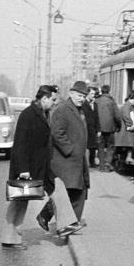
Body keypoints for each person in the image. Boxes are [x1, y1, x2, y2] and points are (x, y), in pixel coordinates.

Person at [1, 84, 58, 247]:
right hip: (28, 167)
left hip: (42, 165)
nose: (54, 103)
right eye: (52, 100)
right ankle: (9, 238)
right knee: (19, 202)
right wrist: (24, 169)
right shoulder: (28, 115)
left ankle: (59, 222)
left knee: (56, 193)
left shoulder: (44, 113)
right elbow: (20, 144)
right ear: (44, 98)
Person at [48, 80, 92, 229]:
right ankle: (69, 222)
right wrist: (70, 150)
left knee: (75, 190)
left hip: (75, 160)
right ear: (71, 94)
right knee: (72, 191)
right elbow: (57, 133)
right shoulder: (63, 109)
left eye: (84, 96)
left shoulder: (77, 109)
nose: (82, 98)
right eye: (79, 95)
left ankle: (71, 221)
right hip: (66, 160)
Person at [94, 84, 120, 171]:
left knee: (100, 146)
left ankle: (101, 166)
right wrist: (118, 126)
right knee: (110, 146)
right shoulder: (112, 101)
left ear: (101, 91)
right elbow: (117, 116)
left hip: (99, 128)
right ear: (109, 91)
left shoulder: (96, 101)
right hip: (110, 128)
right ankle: (108, 164)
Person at [81, 86, 101, 169]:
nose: (93, 95)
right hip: (85, 128)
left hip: (93, 128)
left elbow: (97, 117)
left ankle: (92, 163)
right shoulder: (83, 103)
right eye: (92, 93)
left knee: (93, 146)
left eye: (94, 94)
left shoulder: (94, 104)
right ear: (87, 94)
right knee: (85, 146)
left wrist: (99, 129)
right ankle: (85, 164)